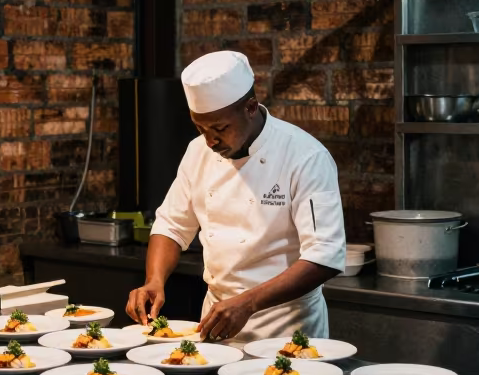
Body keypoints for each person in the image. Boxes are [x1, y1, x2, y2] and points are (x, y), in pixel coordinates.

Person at [126, 50, 346, 342]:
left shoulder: (305, 156)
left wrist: (249, 303)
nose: (210, 140)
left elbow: (325, 255)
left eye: (220, 128)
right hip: (216, 322)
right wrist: (154, 280)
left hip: (286, 329)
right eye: (200, 128)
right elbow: (171, 225)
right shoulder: (198, 152)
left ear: (251, 107)